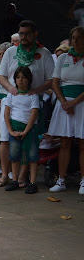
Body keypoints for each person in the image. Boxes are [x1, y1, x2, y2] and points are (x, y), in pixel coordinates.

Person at [0, 20, 54, 188]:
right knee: (6, 139)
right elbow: (1, 76)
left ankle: (23, 177)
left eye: (27, 34)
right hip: (12, 101)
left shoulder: (43, 53)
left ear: (35, 34)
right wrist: (10, 88)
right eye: (21, 33)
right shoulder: (11, 52)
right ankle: (6, 176)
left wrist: (36, 90)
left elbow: (51, 80)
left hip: (32, 103)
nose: (23, 37)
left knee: (28, 142)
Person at [48, 26, 84, 194]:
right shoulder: (63, 58)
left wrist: (74, 103)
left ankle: (83, 182)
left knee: (83, 144)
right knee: (65, 143)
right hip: (64, 105)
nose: (76, 41)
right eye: (73, 38)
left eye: (79, 38)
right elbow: (55, 82)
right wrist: (64, 102)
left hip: (81, 104)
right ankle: (61, 180)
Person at [3, 67, 40, 194]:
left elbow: (34, 114)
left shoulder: (33, 96)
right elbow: (7, 114)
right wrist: (10, 130)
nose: (21, 80)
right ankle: (14, 180)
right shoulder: (11, 96)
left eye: (24, 77)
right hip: (14, 128)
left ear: (29, 80)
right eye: (18, 77)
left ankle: (33, 182)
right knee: (14, 155)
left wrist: (26, 131)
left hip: (29, 129)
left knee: (32, 156)